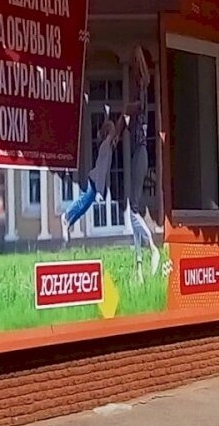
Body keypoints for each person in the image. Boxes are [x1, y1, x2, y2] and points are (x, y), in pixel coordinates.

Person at [61, 104, 134, 242]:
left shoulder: (109, 146)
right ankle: (66, 216)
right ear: (108, 135)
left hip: (96, 181)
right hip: (95, 180)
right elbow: (101, 169)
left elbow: (116, 131)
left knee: (84, 206)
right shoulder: (105, 146)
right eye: (112, 133)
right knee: (83, 201)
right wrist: (100, 191)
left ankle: (69, 222)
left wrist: (123, 116)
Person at [124, 46, 161, 282]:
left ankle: (152, 247)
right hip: (138, 152)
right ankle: (138, 268)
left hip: (140, 152)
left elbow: (131, 110)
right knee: (132, 208)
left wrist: (125, 112)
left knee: (133, 209)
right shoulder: (141, 90)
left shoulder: (142, 91)